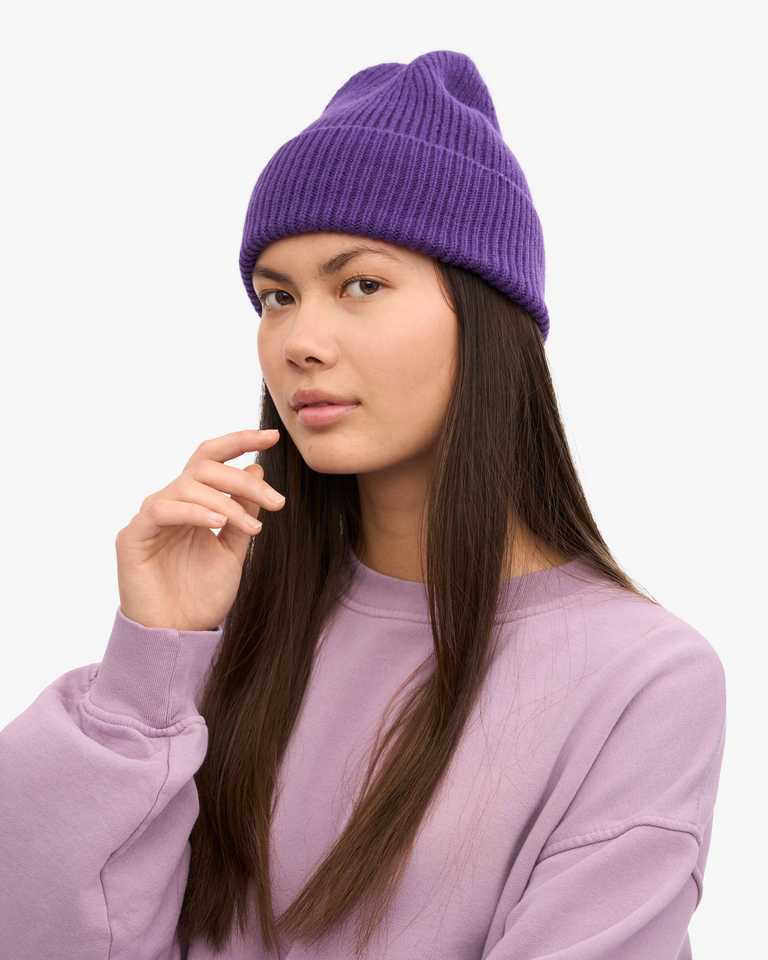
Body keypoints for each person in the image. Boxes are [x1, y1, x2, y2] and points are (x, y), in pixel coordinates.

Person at [0, 50, 726, 960]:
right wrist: (151, 660)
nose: (299, 340)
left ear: (485, 312)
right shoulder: (236, 633)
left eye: (361, 285)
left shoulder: (643, 680)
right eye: (277, 296)